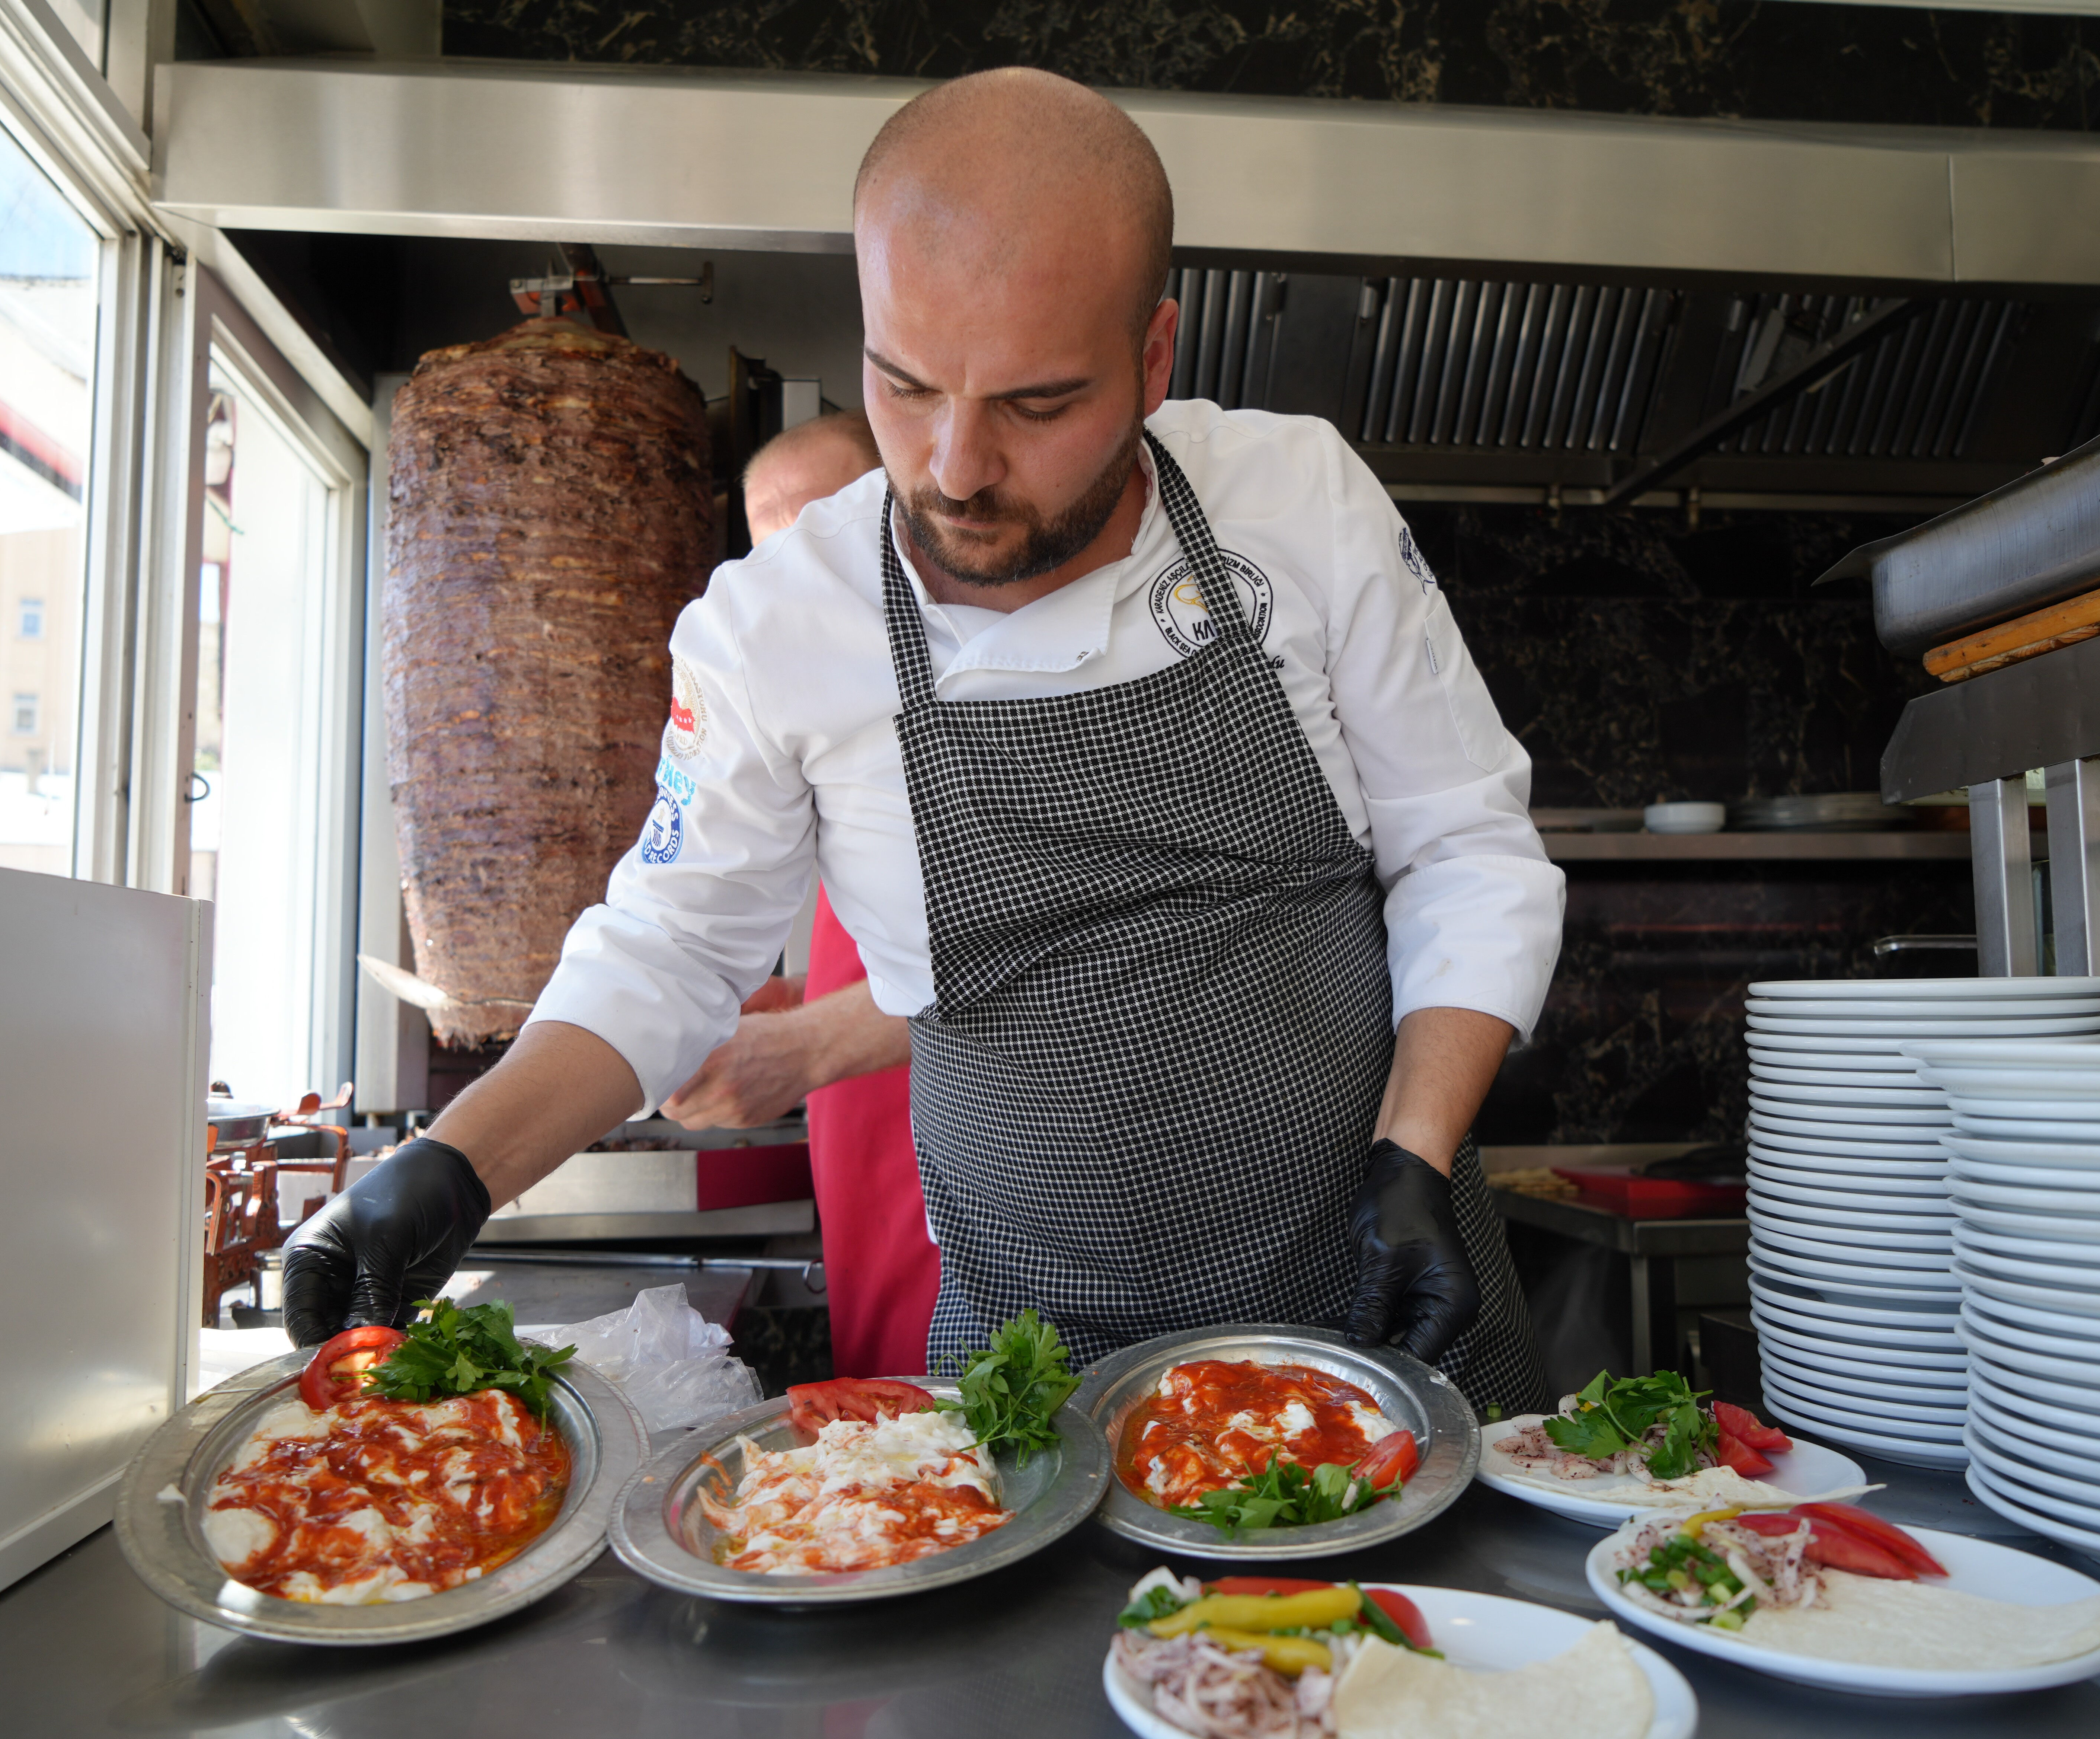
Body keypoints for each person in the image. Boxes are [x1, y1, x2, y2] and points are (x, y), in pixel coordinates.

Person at [287, 69, 1562, 1410]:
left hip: (1383, 1327)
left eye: (1037, 404)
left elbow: (1466, 847)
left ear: (1155, 359)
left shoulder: (1300, 504)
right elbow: (667, 948)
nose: (956, 468)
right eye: (906, 387)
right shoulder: (776, 629)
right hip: (1036, 1385)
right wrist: (454, 1163)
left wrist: (1420, 1152)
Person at [660, 408, 940, 1380]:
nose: (799, 572)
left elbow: (1046, 959)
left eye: (821, 524)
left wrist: (808, 1042)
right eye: (770, 548)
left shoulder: (965, 684)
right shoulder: (811, 717)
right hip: (853, 1134)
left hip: (963, 1138)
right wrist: (797, 1008)